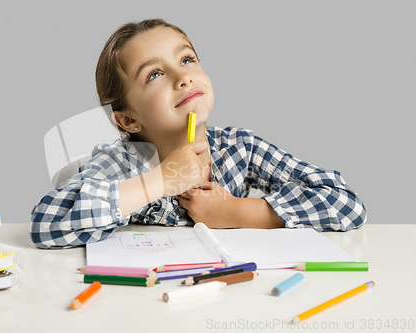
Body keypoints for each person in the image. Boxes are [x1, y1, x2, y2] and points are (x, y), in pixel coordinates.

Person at [30, 19, 366, 249]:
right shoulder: (122, 162)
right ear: (128, 121)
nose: (183, 77)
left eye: (187, 59)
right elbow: (46, 225)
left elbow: (346, 203)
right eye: (154, 74)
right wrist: (159, 181)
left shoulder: (240, 149)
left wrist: (237, 212)